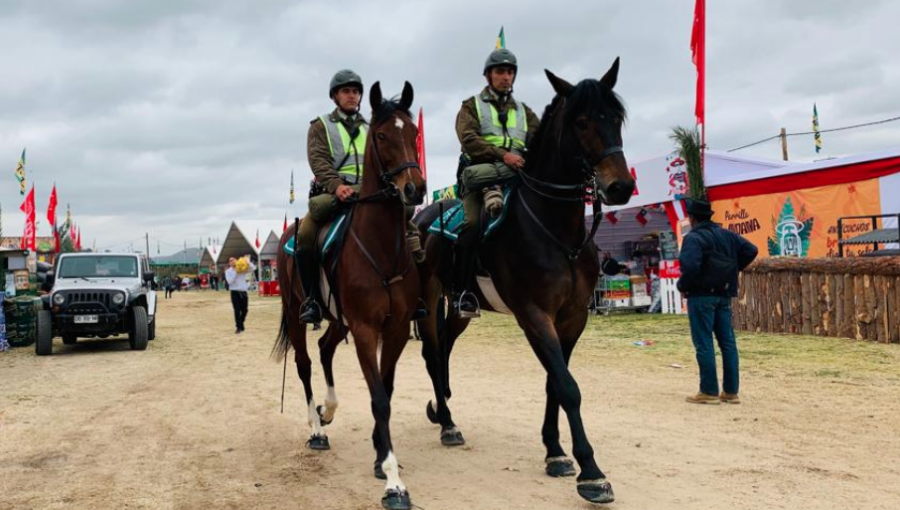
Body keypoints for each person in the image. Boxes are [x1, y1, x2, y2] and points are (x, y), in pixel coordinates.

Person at [297, 69, 425, 325]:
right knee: (305, 234)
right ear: (335, 96)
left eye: (356, 91)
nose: (352, 96)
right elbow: (318, 161)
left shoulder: (375, 127)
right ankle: (312, 299)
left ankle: (415, 296)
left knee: (411, 230)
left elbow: (386, 159)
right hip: (336, 193)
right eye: (346, 91)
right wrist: (336, 185)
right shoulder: (320, 126)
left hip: (373, 193)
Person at [452, 48, 540, 318]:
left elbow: (539, 141)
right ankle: (462, 291)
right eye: (500, 71)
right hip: (481, 178)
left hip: (518, 176)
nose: (506, 76)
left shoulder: (525, 112)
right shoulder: (471, 106)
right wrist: (504, 156)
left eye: (510, 71)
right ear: (489, 75)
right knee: (470, 223)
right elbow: (469, 140)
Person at [677, 199, 758, 405]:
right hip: (723, 294)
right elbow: (751, 250)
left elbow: (691, 267)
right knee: (727, 343)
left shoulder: (693, 238)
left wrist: (682, 286)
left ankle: (709, 391)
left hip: (700, 296)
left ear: (692, 218)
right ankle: (731, 392)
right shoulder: (728, 235)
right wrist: (732, 268)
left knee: (704, 343)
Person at [225, 256, 256, 334]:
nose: (232, 262)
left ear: (236, 260)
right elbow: (229, 282)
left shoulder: (242, 268)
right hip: (234, 292)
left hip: (243, 291)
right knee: (237, 310)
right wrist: (236, 272)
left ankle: (240, 323)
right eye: (230, 261)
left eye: (233, 260)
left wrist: (247, 261)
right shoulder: (228, 271)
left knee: (245, 310)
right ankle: (238, 327)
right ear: (229, 263)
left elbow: (253, 268)